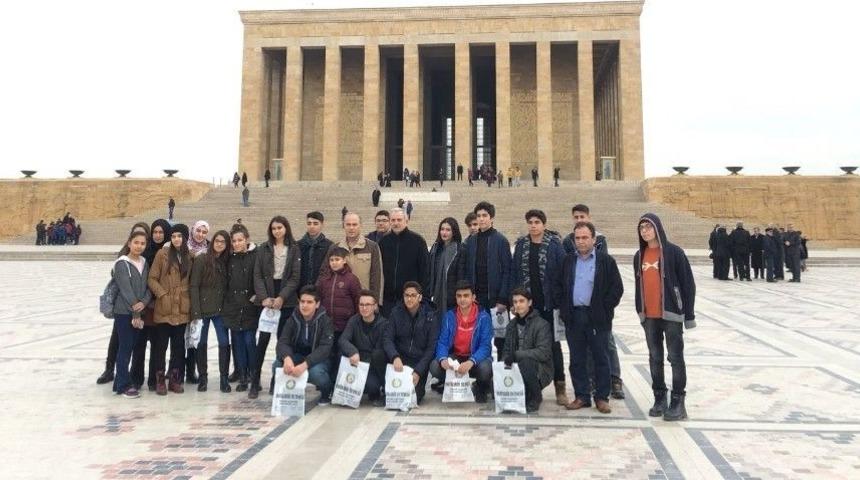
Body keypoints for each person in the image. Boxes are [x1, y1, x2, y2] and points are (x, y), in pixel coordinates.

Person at [554, 221, 623, 414]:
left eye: (585, 237)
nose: (581, 241)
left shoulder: (606, 261)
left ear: (593, 239)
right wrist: (564, 309)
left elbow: (616, 289)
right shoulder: (568, 261)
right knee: (577, 359)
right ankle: (582, 396)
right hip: (574, 316)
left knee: (601, 357)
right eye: (577, 238)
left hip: (597, 318)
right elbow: (558, 286)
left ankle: (601, 397)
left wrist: (603, 309)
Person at [634, 213, 696, 421]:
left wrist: (688, 314)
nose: (645, 231)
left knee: (675, 358)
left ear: (657, 228)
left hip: (671, 315)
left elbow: (688, 284)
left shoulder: (674, 252)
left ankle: (678, 402)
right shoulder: (639, 256)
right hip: (649, 316)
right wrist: (640, 310)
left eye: (648, 227)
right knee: (655, 358)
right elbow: (638, 286)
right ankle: (659, 398)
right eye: (642, 228)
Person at [511, 209, 568, 405]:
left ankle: (560, 385)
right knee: (526, 345)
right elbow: (515, 273)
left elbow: (563, 274)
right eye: (530, 222)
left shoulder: (554, 246)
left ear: (544, 224)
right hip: (528, 307)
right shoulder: (521, 245)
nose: (533, 225)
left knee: (553, 346)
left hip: (549, 305)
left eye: (537, 222)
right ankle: (531, 385)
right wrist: (514, 301)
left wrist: (561, 302)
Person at [253, 216, 301, 397]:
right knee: (262, 342)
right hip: (267, 296)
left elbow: (295, 277)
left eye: (280, 228)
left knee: (283, 342)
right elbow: (257, 275)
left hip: (286, 299)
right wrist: (264, 298)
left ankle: (276, 380)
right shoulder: (263, 248)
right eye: (274, 228)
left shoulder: (294, 248)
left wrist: (282, 297)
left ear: (286, 228)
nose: (277, 231)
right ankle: (255, 381)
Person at [429, 281, 493, 402]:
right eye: (459, 296)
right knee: (435, 366)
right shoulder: (449, 316)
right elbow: (442, 342)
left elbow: (485, 346)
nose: (462, 299)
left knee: (485, 369)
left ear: (473, 297)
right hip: (456, 357)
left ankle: (481, 386)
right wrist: (443, 359)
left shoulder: (484, 317)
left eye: (466, 295)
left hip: (475, 359)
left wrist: (471, 361)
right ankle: (450, 384)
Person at [463, 201, 511, 360]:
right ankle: (482, 370)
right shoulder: (471, 241)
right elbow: (468, 269)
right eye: (479, 216)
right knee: (478, 337)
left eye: (485, 215)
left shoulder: (500, 240)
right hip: (477, 300)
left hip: (496, 300)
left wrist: (503, 298)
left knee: (501, 339)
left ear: (492, 218)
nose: (481, 219)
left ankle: (504, 370)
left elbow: (507, 270)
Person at [148, 223, 192, 395]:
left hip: (182, 309)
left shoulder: (190, 256)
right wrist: (162, 295)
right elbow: (152, 279)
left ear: (185, 238)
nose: (176, 239)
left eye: (180, 236)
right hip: (165, 308)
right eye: (173, 236)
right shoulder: (163, 254)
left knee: (178, 347)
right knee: (161, 346)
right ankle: (160, 380)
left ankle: (175, 379)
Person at [276, 286, 335, 405]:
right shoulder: (293, 318)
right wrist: (287, 358)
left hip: (320, 359)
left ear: (317, 304)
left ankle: (327, 391)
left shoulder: (325, 321)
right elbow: (283, 341)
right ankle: (288, 393)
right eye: (302, 302)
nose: (304, 305)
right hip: (298, 355)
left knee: (315, 373)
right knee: (277, 365)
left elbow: (325, 348)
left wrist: (305, 365)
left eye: (309, 302)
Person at [131, 219, 171, 391]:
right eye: (155, 232)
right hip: (144, 305)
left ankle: (155, 379)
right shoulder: (144, 253)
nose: (158, 235)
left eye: (161, 232)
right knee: (139, 344)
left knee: (158, 346)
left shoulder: (170, 253)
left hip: (160, 306)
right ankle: (136, 378)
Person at [383, 281, 439, 405]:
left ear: (420, 297)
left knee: (413, 398)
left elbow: (431, 348)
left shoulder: (430, 316)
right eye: (406, 295)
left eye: (413, 295)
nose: (409, 299)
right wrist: (394, 357)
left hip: (418, 362)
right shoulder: (396, 313)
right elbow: (387, 338)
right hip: (399, 360)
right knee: (392, 397)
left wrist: (418, 371)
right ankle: (384, 385)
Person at [111, 230, 152, 398]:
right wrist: (137, 308)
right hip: (124, 312)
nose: (139, 246)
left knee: (132, 346)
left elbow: (148, 286)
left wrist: (144, 302)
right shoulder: (122, 263)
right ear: (129, 243)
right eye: (136, 243)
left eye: (142, 243)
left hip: (139, 310)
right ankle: (123, 385)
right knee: (125, 347)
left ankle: (119, 381)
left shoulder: (144, 262)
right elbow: (126, 290)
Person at [190, 230, 231, 393]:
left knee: (224, 342)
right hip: (203, 310)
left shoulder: (227, 260)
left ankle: (224, 378)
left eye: (223, 242)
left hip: (221, 310)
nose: (219, 244)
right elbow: (194, 286)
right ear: (212, 241)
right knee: (201, 343)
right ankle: (203, 377)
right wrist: (196, 311)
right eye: (217, 241)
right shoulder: (202, 259)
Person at [317, 247, 362, 385]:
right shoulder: (324, 280)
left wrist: (356, 321)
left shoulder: (351, 279)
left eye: (337, 259)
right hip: (328, 326)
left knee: (341, 356)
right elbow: (319, 299)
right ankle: (328, 385)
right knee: (328, 355)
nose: (334, 262)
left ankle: (341, 384)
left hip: (345, 326)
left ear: (344, 260)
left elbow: (357, 301)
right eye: (331, 260)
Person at [222, 224, 259, 394]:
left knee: (250, 342)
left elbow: (262, 277)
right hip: (233, 306)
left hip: (250, 306)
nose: (237, 243)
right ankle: (242, 376)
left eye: (240, 240)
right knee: (237, 343)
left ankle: (254, 376)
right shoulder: (229, 258)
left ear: (247, 240)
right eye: (234, 241)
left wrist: (258, 296)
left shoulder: (256, 255)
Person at [503, 287, 553, 413]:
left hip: (540, 369)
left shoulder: (542, 324)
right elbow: (506, 350)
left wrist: (517, 355)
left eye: (521, 301)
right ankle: (523, 392)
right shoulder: (511, 325)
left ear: (529, 302)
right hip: (516, 368)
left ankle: (536, 396)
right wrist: (504, 364)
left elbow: (543, 353)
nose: (518, 305)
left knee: (526, 362)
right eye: (515, 302)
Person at [319, 212, 384, 303]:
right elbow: (325, 273)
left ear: (360, 225)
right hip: (340, 300)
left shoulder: (372, 247)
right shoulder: (335, 248)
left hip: (363, 301)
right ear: (343, 226)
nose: (351, 228)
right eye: (348, 225)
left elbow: (376, 276)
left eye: (354, 224)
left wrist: (375, 301)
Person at [339, 290, 389, 406]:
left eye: (368, 305)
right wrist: (353, 352)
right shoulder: (354, 320)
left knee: (372, 386)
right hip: (357, 362)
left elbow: (380, 351)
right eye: (361, 304)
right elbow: (343, 339)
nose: (364, 308)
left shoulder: (384, 324)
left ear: (375, 306)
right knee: (342, 352)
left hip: (373, 366)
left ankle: (381, 388)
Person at [378, 208, 429, 316]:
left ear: (406, 221)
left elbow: (425, 271)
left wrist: (422, 296)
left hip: (410, 299)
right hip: (388, 300)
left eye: (399, 220)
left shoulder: (418, 241)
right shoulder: (383, 241)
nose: (396, 223)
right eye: (393, 220)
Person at [183, 220, 211, 383]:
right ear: (192, 230)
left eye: (204, 232)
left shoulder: (209, 251)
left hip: (198, 297)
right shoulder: (183, 247)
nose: (200, 234)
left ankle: (190, 370)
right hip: (182, 296)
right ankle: (176, 368)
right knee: (181, 336)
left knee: (194, 334)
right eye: (198, 231)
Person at [428, 217, 466, 316]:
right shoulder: (435, 248)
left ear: (454, 232)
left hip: (451, 298)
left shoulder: (460, 250)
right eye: (442, 229)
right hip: (435, 296)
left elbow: (461, 275)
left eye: (448, 230)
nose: (444, 232)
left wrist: (457, 296)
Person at [298, 211, 333, 288]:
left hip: (322, 288)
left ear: (322, 225)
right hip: (301, 289)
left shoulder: (329, 246)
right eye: (309, 223)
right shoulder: (298, 245)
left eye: (315, 223)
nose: (312, 226)